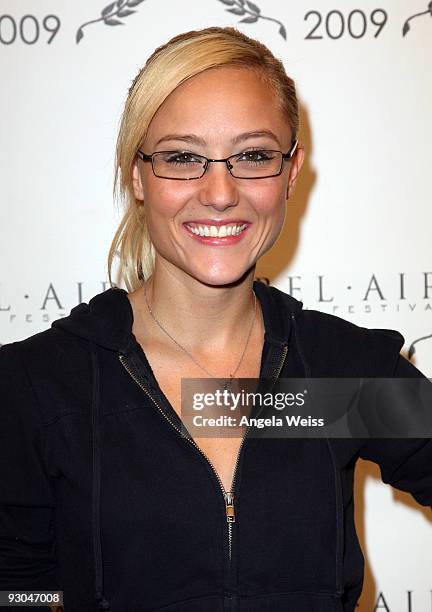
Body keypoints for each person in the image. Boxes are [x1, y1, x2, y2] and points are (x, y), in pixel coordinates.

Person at [0, 26, 431, 612]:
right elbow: (18, 584)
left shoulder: (339, 372)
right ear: (138, 175)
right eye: (183, 158)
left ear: (290, 171)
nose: (221, 192)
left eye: (253, 156)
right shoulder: (40, 383)